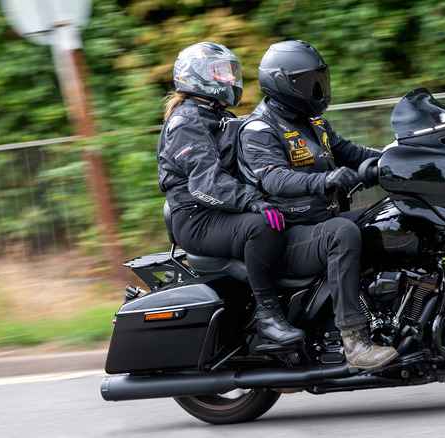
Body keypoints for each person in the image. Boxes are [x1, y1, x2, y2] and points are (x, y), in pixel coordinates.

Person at [238, 40, 398, 371]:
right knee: (342, 232)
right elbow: (274, 179)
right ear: (281, 83)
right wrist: (325, 180)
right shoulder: (259, 129)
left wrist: (399, 156)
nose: (317, 89)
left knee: (394, 215)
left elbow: (355, 154)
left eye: (319, 79)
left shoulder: (314, 123)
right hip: (289, 235)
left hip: (320, 221)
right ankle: (354, 341)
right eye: (306, 82)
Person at [157, 42, 304, 345]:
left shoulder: (217, 115)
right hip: (196, 216)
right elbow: (205, 183)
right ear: (196, 76)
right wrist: (254, 201)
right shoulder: (185, 122)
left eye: (230, 72)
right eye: (220, 72)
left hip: (220, 209)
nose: (229, 79)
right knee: (261, 227)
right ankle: (269, 316)